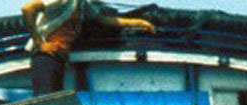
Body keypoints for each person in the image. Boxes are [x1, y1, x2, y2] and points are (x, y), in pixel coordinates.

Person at [22, 0, 156, 95]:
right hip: (46, 57)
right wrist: (39, 42)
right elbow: (28, 9)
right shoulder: (62, 1)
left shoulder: (82, 5)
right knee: (44, 98)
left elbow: (103, 20)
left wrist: (139, 22)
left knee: (54, 99)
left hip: (59, 56)